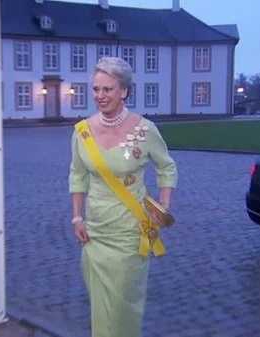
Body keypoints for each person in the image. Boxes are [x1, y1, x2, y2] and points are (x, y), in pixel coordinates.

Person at [68, 57, 178, 337]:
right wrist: (77, 217)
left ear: (124, 91)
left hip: (131, 232)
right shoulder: (82, 132)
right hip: (95, 233)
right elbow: (77, 173)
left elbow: (167, 167)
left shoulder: (145, 129)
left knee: (122, 307)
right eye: (96, 89)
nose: (100, 96)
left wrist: (164, 206)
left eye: (108, 89)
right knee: (101, 307)